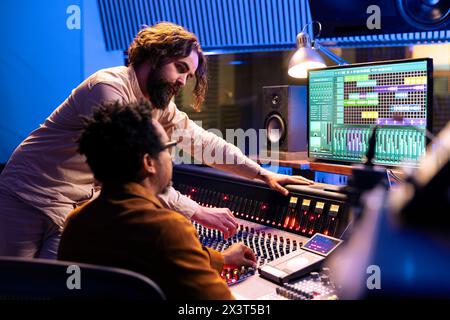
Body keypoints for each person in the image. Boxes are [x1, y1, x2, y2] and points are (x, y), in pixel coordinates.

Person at [0, 22, 313, 259]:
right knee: (16, 286)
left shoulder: (160, 105)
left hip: (71, 208)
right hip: (26, 195)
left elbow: (204, 143)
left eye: (188, 76)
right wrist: (198, 211)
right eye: (180, 68)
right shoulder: (107, 87)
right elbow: (135, 172)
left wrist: (262, 173)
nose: (182, 81)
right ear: (156, 54)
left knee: (55, 288)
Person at [58, 101, 256, 299]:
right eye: (167, 148)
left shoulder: (75, 223)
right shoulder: (167, 228)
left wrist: (223, 258)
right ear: (149, 162)